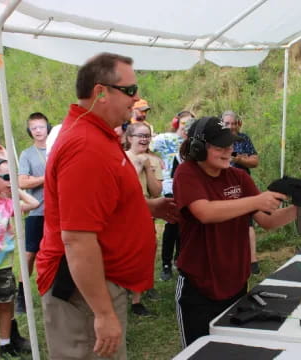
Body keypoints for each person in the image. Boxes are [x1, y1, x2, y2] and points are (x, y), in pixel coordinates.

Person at [36, 52, 178, 359]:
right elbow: (76, 238)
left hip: (94, 283)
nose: (136, 98)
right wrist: (102, 313)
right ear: (101, 92)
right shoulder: (86, 146)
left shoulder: (96, 135)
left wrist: (146, 208)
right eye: (129, 90)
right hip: (83, 291)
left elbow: (103, 203)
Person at [173, 117, 301, 347]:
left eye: (230, 146)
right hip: (199, 284)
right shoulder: (187, 173)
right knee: (199, 352)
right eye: (219, 147)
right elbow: (205, 212)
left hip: (235, 282)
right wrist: (255, 201)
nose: (228, 152)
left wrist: (298, 209)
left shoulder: (239, 177)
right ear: (198, 148)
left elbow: (267, 220)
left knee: (233, 350)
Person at [0, 158, 39, 357]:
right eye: (6, 177)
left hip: (4, 265)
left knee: (5, 305)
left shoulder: (9, 202)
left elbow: (34, 203)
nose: (10, 181)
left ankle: (5, 344)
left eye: (13, 177)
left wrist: (15, 187)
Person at [125, 122, 163, 316]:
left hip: (145, 211)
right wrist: (136, 167)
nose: (144, 139)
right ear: (129, 138)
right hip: (122, 213)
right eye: (140, 135)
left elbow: (157, 192)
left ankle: (137, 299)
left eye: (147, 135)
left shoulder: (154, 160)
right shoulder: (121, 158)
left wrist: (147, 168)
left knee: (145, 252)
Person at [152, 111, 194, 281]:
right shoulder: (164, 138)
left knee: (185, 225)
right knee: (172, 224)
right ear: (176, 123)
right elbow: (146, 144)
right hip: (169, 184)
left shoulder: (194, 144)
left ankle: (179, 259)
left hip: (187, 186)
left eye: (190, 124)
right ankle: (166, 264)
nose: (186, 127)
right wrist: (153, 161)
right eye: (184, 123)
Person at [16, 112, 50, 314]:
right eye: (34, 128)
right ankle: (22, 294)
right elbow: (22, 182)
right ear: (30, 131)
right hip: (37, 211)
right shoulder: (27, 154)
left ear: (48, 127)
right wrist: (46, 178)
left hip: (59, 211)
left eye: (41, 126)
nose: (38, 130)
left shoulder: (57, 148)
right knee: (30, 254)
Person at [221, 110, 261, 274]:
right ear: (221, 124)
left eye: (233, 123)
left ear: (238, 124)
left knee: (247, 222)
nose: (230, 126)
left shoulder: (244, 139)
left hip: (243, 185)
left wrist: (238, 158)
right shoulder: (216, 140)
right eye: (227, 123)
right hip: (222, 186)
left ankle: (252, 260)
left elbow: (255, 161)